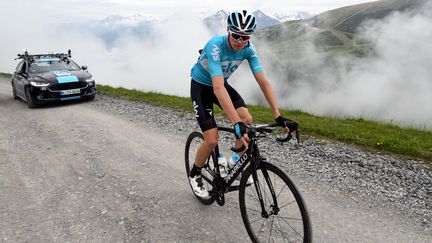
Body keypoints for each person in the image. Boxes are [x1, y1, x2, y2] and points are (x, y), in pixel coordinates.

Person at [189, 10, 298, 198]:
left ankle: (232, 163)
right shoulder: (215, 46)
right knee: (212, 139)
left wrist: (278, 116)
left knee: (247, 119)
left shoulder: (248, 48)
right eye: (236, 35)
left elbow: (263, 82)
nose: (240, 41)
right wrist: (235, 123)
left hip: (222, 84)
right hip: (202, 87)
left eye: (245, 36)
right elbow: (217, 88)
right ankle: (195, 174)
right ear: (228, 31)